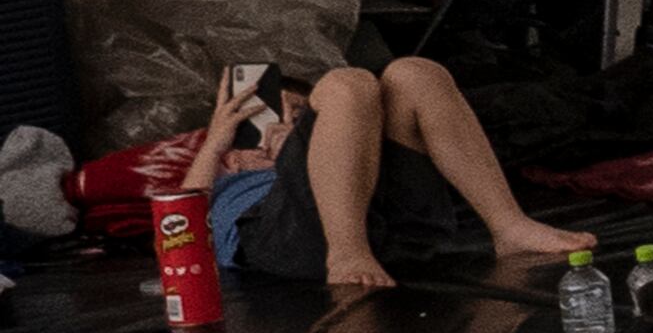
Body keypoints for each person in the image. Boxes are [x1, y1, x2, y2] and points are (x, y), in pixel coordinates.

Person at [184, 58, 588, 290]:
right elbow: (177, 223)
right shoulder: (232, 168)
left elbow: (350, 127)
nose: (289, 122)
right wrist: (216, 142)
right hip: (286, 242)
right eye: (282, 114)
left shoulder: (340, 140)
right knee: (347, 83)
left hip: (390, 226)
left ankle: (509, 227)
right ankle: (346, 251)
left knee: (415, 72)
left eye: (302, 115)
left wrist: (321, 133)